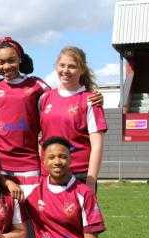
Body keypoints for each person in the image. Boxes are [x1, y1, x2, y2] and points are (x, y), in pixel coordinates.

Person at [0, 37, 103, 198]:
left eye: (11, 60)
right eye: (1, 62)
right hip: (0, 164)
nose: (6, 66)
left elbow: (67, 96)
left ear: (20, 59)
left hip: (33, 164)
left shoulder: (38, 87)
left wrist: (92, 95)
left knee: (37, 216)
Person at [38, 46, 107, 192]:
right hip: (48, 174)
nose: (66, 70)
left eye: (72, 66)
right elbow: (41, 137)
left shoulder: (91, 100)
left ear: (82, 70)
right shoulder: (45, 98)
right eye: (62, 65)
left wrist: (90, 181)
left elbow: (97, 146)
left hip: (77, 175)